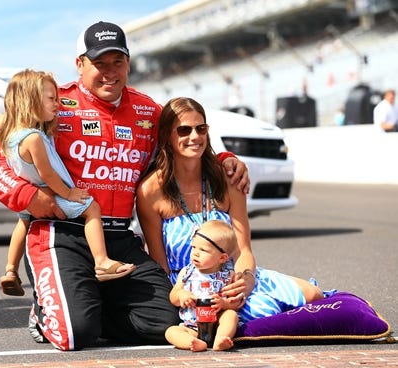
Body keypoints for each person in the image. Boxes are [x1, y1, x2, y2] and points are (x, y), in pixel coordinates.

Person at [0, 21, 249, 351]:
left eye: (117, 62)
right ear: (79, 64)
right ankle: (50, 311)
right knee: (76, 334)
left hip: (119, 237)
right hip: (61, 232)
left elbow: (188, 138)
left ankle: (88, 303)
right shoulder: (54, 103)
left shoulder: (148, 110)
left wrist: (225, 158)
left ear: (128, 63)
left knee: (170, 322)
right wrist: (27, 195)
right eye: (99, 63)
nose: (109, 72)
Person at [136, 96, 331, 328]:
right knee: (262, 311)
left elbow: (243, 250)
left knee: (313, 295)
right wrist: (183, 295)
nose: (195, 137)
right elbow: (161, 264)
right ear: (167, 136)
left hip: (234, 276)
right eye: (184, 130)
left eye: (201, 129)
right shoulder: (150, 191)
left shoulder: (228, 179)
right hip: (192, 285)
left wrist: (246, 281)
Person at [0, 69, 136, 297]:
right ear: (31, 100)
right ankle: (101, 260)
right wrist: (68, 193)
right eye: (51, 99)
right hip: (51, 194)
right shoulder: (33, 138)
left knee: (22, 224)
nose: (57, 104)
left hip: (28, 197)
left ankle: (10, 270)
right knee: (92, 209)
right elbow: (48, 174)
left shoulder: (11, 133)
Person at [165, 219, 238, 352]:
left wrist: (224, 303)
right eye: (193, 247)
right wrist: (182, 295)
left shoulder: (227, 275)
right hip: (193, 326)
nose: (196, 253)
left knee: (231, 315)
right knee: (171, 331)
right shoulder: (187, 272)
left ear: (222, 258)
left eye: (203, 250)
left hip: (216, 324)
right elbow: (173, 296)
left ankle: (221, 339)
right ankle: (192, 342)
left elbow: (236, 302)